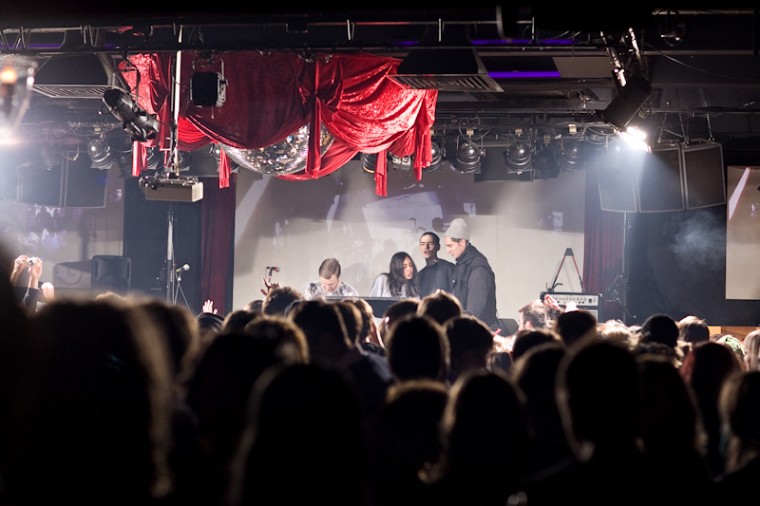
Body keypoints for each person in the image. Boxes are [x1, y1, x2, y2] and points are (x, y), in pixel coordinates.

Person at [443, 218, 498, 331]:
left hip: (478, 334)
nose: (448, 251)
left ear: (462, 242)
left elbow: (473, 311)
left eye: (450, 246)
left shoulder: (478, 268)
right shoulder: (461, 264)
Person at [417, 231, 455, 297]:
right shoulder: (420, 274)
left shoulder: (448, 268)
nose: (426, 247)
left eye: (430, 243)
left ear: (438, 247)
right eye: (423, 244)